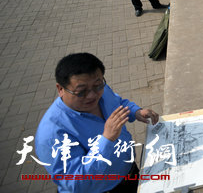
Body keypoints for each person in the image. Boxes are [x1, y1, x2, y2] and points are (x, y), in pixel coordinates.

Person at [35, 53, 159, 193]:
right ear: (60, 89)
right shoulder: (52, 134)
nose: (92, 95)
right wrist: (106, 139)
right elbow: (76, 183)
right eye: (81, 92)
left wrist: (135, 112)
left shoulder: (101, 90)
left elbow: (118, 103)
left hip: (130, 174)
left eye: (98, 85)